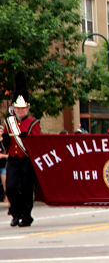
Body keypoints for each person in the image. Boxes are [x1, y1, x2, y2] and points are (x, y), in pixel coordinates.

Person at [2, 72, 41, 227]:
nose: (20, 111)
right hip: (13, 159)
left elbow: (38, 143)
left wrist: (28, 138)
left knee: (26, 189)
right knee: (10, 187)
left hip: (26, 160)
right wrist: (5, 139)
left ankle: (26, 215)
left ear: (27, 108)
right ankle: (15, 213)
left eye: (22, 108)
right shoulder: (9, 122)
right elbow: (5, 139)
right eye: (17, 108)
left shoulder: (33, 123)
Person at [0, 125, 8, 203]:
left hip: (3, 166)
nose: (1, 132)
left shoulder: (5, 142)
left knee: (5, 183)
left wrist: (3, 156)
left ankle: (7, 198)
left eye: (2, 131)